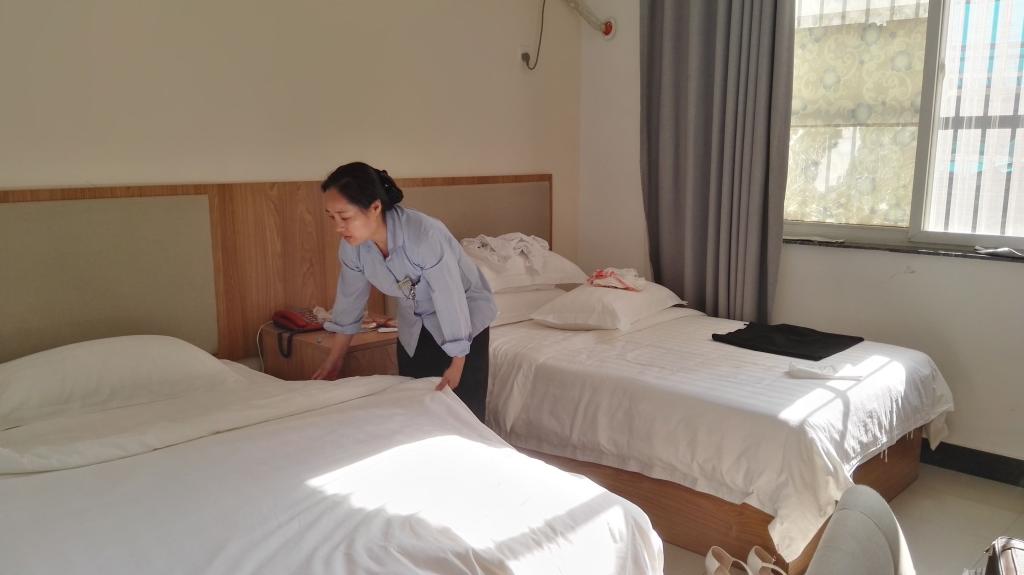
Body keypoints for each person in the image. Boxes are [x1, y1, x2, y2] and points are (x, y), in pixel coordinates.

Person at [311, 162, 496, 422]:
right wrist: (334, 359)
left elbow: (449, 297)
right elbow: (349, 302)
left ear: (375, 208)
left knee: (463, 416)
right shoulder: (354, 247)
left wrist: (457, 363)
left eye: (345, 217)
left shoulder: (423, 236)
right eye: (332, 217)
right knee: (416, 412)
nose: (338, 227)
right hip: (414, 324)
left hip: (464, 324)